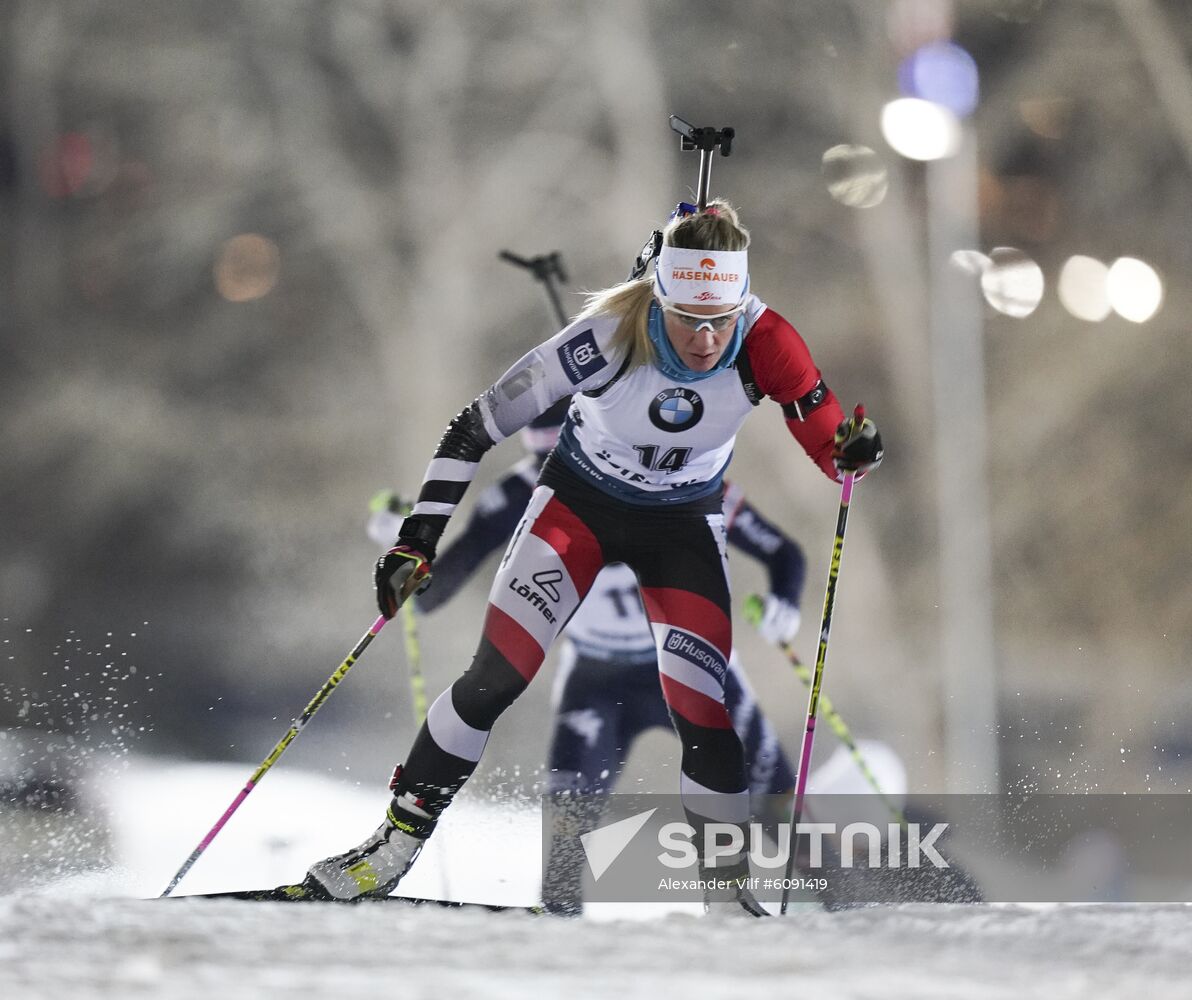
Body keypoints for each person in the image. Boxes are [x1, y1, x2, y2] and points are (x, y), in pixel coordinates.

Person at [305, 200, 883, 915]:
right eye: (687, 319)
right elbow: (473, 429)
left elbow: (834, 452)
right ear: (657, 296)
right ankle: (388, 851)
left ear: (742, 303)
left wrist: (852, 451)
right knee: (494, 678)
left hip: (681, 523)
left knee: (707, 711)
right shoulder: (608, 334)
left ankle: (727, 900)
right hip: (581, 510)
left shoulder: (769, 340)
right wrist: (414, 540)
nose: (705, 341)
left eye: (721, 319)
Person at [366, 397, 809, 913]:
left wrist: (784, 603)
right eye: (546, 463)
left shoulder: (674, 474)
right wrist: (403, 544)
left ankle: (846, 905)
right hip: (596, 680)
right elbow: (435, 595)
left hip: (685, 664)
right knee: (562, 861)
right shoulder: (521, 493)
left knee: (779, 802)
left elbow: (783, 552)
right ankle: (560, 963)